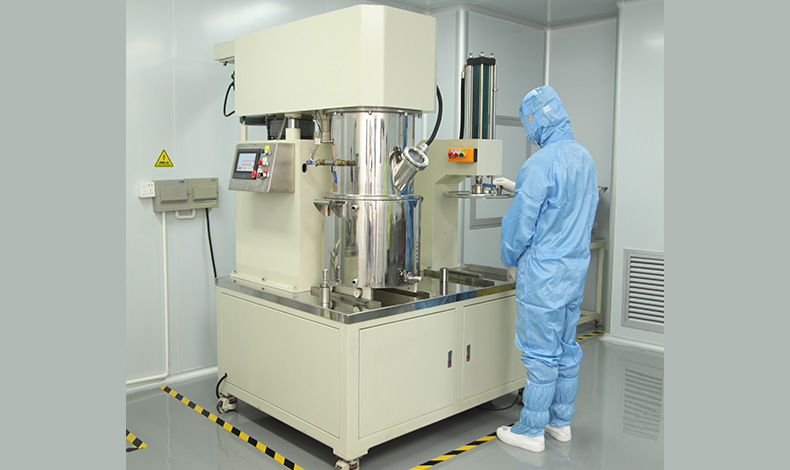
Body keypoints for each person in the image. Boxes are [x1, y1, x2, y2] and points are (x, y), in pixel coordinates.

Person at [493, 85, 599, 453]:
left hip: (544, 274)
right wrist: (518, 186)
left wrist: (510, 259)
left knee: (540, 353)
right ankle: (560, 421)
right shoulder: (584, 158)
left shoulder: (538, 164)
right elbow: (568, 204)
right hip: (573, 270)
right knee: (566, 347)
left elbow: (521, 223)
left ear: (535, 121)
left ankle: (531, 430)